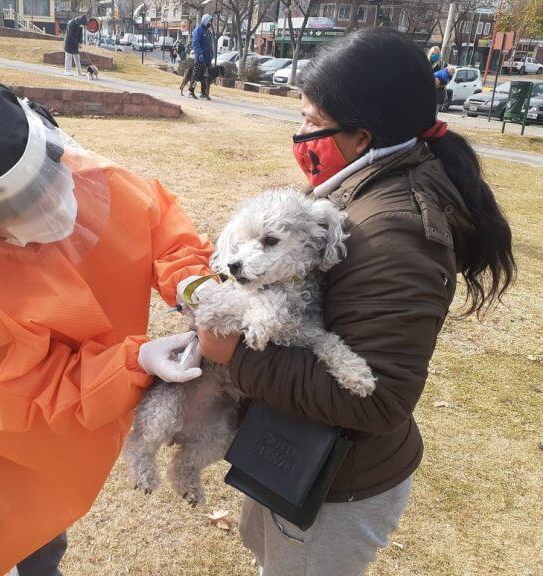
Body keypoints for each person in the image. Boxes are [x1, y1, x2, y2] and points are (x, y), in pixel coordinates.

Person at [197, 28, 514, 576]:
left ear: (363, 135)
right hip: (294, 450)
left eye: (314, 124)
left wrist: (232, 353)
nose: (300, 136)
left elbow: (379, 399)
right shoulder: (359, 186)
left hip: (333, 485)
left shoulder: (396, 234)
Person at [0, 78, 213, 576]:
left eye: (48, 182)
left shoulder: (89, 177)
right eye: (16, 209)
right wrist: (134, 361)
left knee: (45, 538)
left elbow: (158, 223)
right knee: (3, 543)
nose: (53, 209)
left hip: (66, 426)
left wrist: (190, 283)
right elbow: (29, 387)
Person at [189, 14, 213, 100]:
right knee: (196, 75)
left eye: (211, 21)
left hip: (207, 59)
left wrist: (211, 54)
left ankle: (203, 93)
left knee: (205, 76)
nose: (210, 23)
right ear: (205, 20)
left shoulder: (208, 32)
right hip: (200, 58)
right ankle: (191, 91)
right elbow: (195, 43)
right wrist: (200, 54)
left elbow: (210, 45)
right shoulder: (198, 30)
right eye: (209, 21)